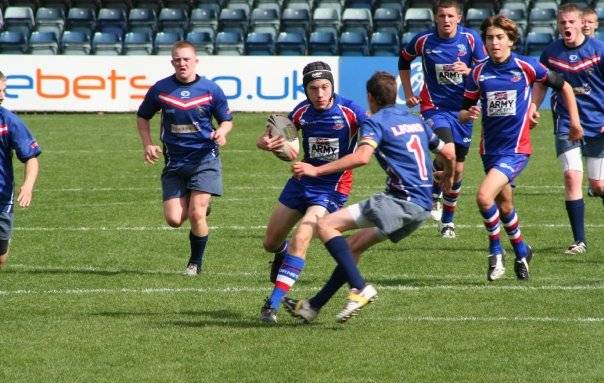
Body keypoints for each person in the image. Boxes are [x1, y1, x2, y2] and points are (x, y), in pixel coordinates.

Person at [283, 71, 454, 323]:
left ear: (371, 98)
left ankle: (359, 287)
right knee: (352, 247)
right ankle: (313, 306)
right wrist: (447, 178)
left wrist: (315, 169)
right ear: (395, 95)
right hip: (422, 207)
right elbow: (449, 153)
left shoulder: (376, 121)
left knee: (326, 225)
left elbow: (361, 157)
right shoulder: (415, 120)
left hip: (399, 201)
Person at [459, 15, 583, 281]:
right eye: (490, 38)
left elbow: (565, 87)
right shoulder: (478, 73)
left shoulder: (526, 67)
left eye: (500, 38)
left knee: (483, 197)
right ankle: (522, 249)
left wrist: (573, 121)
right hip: (489, 150)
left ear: (511, 41)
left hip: (516, 150)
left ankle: (495, 251)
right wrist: (466, 115)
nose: (494, 43)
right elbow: (463, 110)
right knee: (505, 207)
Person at [256, 61, 367, 323]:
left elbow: (374, 131)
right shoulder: (301, 112)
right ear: (306, 90)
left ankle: (271, 305)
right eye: (313, 88)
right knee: (270, 243)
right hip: (300, 181)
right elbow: (280, 135)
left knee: (303, 235)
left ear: (332, 87)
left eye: (324, 87)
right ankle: (282, 254)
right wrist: (266, 142)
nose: (320, 93)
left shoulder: (350, 111)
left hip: (332, 187)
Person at [136, 41, 233, 276]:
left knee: (196, 213)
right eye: (178, 59)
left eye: (186, 59)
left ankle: (195, 263)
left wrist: (222, 132)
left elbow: (226, 120)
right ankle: (198, 204)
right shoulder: (161, 89)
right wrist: (148, 144)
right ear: (172, 62)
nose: (182, 63)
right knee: (174, 219)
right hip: (175, 162)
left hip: (204, 159)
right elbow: (142, 117)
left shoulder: (211, 89)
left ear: (195, 61)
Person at [399, 0, 488, 238]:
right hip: (434, 107)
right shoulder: (424, 40)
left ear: (459, 18)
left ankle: (447, 220)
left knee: (457, 170)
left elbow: (485, 70)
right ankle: (434, 188)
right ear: (435, 18)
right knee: (447, 151)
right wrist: (408, 93)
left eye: (450, 16)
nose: (446, 20)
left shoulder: (471, 40)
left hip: (463, 110)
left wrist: (469, 71)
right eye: (442, 16)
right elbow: (404, 60)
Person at [532, 4, 604, 255]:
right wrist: (533, 106)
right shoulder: (551, 53)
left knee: (598, 186)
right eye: (562, 23)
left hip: (598, 124)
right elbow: (541, 82)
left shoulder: (599, 50)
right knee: (572, 177)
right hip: (565, 122)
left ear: (581, 23)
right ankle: (580, 241)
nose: (567, 27)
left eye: (571, 22)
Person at [0, 72, 42, 268]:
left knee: (0, 256)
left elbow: (30, 158)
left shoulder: (10, 122)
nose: (2, 96)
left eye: (3, 90)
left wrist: (28, 186)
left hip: (2, 196)